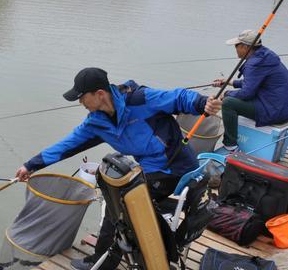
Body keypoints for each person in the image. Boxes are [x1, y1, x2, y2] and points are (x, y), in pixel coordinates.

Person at [15, 67, 221, 270]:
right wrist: (31, 165)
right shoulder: (97, 123)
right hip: (149, 171)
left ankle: (106, 262)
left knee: (121, 204)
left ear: (99, 94)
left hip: (177, 168)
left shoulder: (140, 99)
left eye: (82, 97)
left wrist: (203, 103)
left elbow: (178, 97)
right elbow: (66, 145)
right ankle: (112, 253)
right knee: (117, 200)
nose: (80, 103)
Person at [212, 30, 288, 152]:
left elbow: (247, 93)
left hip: (273, 111)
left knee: (228, 103)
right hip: (282, 108)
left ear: (245, 47)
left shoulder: (254, 63)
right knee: (232, 98)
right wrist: (228, 82)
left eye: (236, 46)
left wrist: (226, 93)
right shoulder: (265, 56)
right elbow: (255, 83)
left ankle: (230, 145)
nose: (235, 49)